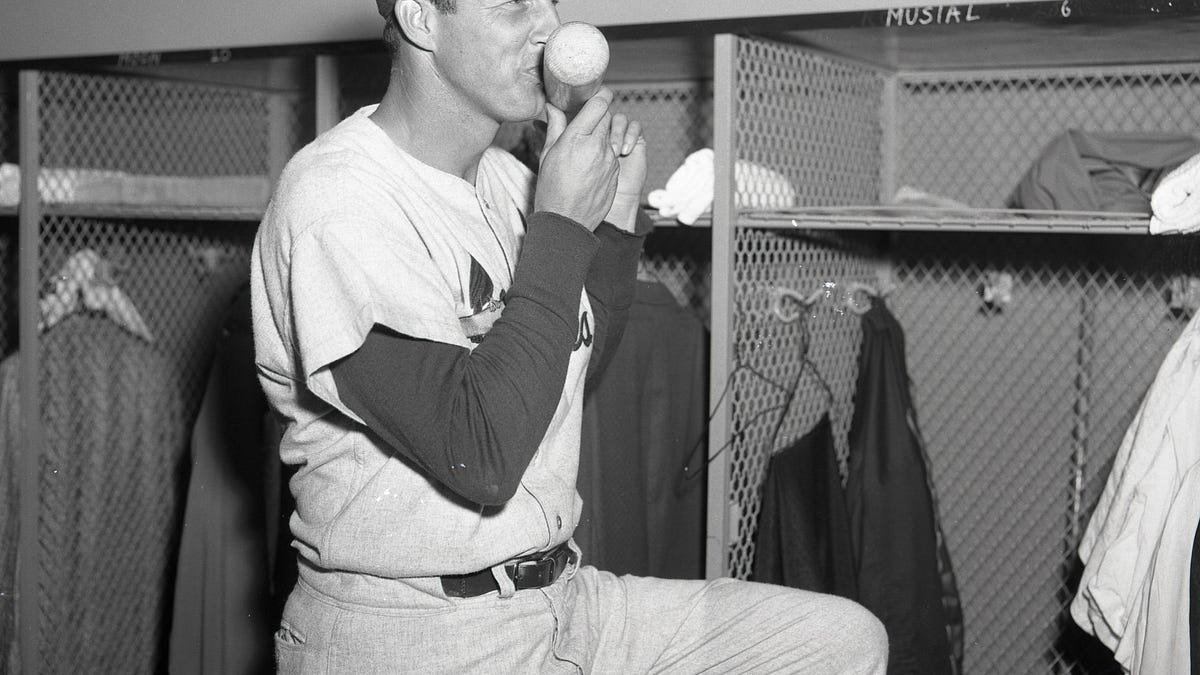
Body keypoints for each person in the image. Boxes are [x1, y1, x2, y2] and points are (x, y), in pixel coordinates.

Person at [250, 0, 890, 671]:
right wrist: (559, 225)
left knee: (842, 643)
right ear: (419, 17)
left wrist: (610, 227)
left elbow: (572, 366)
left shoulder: (510, 180)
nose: (551, 27)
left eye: (551, 1)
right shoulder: (335, 200)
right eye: (513, 5)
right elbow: (482, 452)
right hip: (414, 631)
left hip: (563, 603)